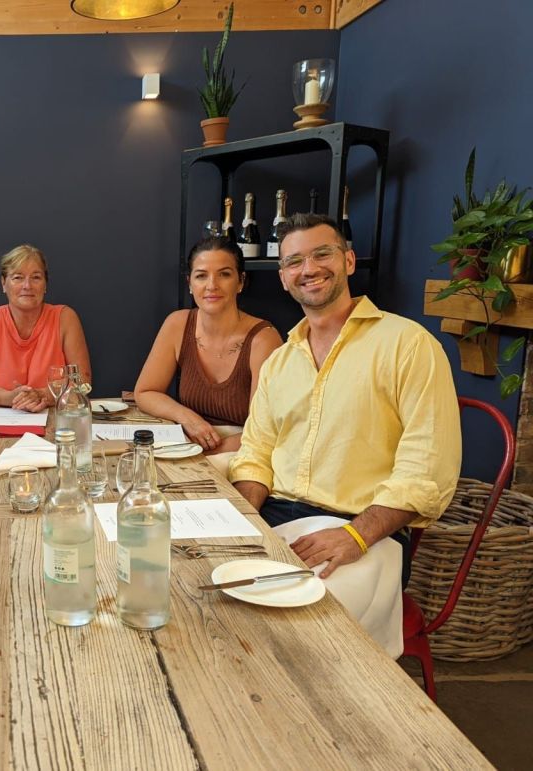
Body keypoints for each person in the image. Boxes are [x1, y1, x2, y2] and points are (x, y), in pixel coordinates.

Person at [228, 214, 461, 656]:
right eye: (294, 261)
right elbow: (256, 451)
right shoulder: (280, 362)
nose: (309, 269)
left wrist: (356, 535)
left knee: (291, 632)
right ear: (283, 278)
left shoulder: (408, 344)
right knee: (202, 592)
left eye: (323, 254)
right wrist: (242, 518)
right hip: (275, 517)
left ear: (349, 261)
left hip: (365, 531)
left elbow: (427, 469)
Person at [134, 237, 281, 459]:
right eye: (201, 276)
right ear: (190, 283)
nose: (212, 285)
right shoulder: (177, 324)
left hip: (243, 449)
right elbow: (145, 392)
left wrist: (199, 455)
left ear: (240, 281)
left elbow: (263, 431)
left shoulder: (264, 339)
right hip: (191, 442)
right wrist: (187, 418)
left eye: (224, 274)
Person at [0, 244, 91, 412]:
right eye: (18, 277)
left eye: (36, 277)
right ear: (3, 283)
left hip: (57, 418)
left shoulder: (65, 318)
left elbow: (83, 382)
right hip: (0, 417)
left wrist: (42, 395)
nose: (27, 286)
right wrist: (8, 398)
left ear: (45, 284)